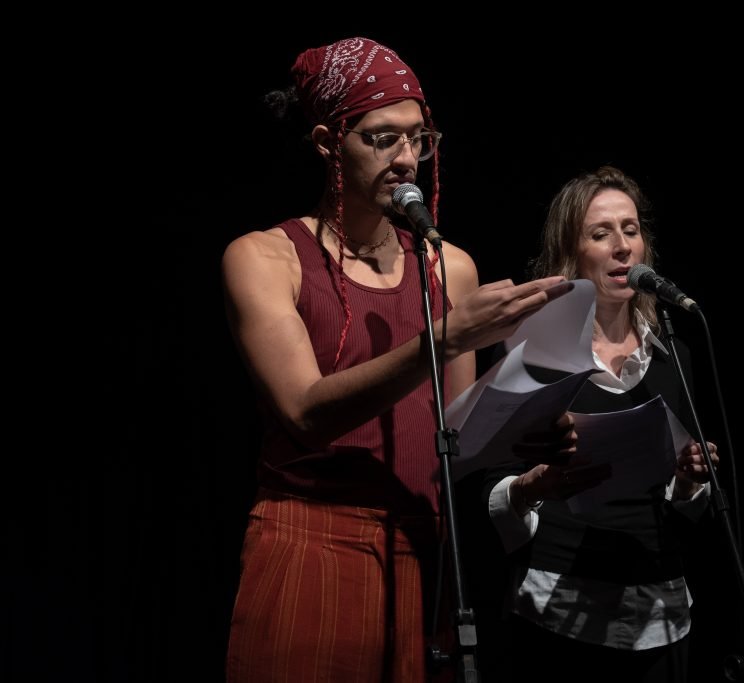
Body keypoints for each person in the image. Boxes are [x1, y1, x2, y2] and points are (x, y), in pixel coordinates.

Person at [221, 36, 571, 683]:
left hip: (425, 555)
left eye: (420, 138)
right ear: (329, 140)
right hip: (311, 541)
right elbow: (305, 410)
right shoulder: (265, 257)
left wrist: (529, 440)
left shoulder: (450, 268)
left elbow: (459, 440)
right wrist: (441, 338)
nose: (409, 158)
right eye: (384, 138)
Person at [481, 166, 720, 683]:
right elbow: (487, 485)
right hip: (558, 613)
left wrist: (690, 479)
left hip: (661, 614)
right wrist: (532, 483)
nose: (622, 247)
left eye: (631, 230)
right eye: (601, 233)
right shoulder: (536, 352)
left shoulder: (672, 355)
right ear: (572, 254)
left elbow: (688, 514)